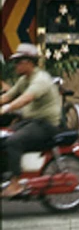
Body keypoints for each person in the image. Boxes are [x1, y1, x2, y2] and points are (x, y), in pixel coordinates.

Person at [0, 43, 61, 198]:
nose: (16, 65)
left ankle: (15, 184)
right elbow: (8, 95)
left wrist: (6, 108)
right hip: (31, 122)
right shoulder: (24, 79)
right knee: (3, 136)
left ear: (29, 62)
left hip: (46, 125)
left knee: (14, 141)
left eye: (19, 61)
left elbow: (26, 98)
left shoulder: (40, 79)